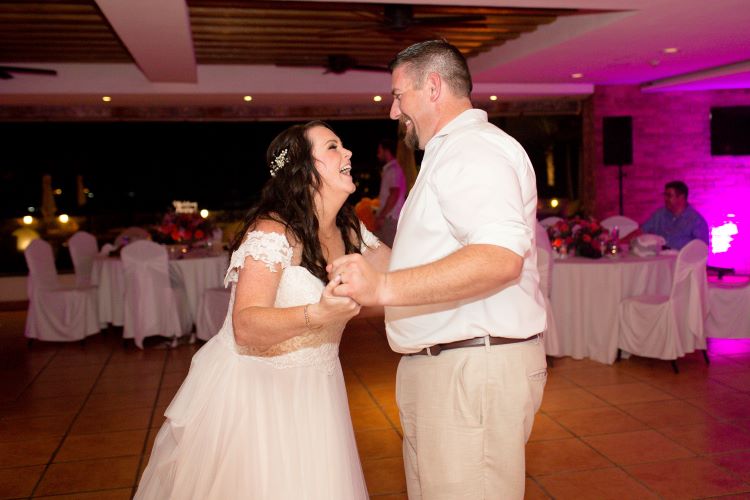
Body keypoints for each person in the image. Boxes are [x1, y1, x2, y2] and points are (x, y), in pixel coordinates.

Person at [328, 40, 547, 499]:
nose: (393, 111)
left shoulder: (474, 151)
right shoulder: (449, 154)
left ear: (432, 88)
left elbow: (499, 259)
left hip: (470, 372)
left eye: (398, 95)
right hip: (452, 368)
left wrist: (384, 287)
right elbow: (425, 263)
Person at [135, 121, 390, 499]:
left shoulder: (351, 229)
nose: (348, 153)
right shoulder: (272, 233)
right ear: (304, 170)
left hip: (320, 387)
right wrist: (318, 314)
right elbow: (246, 326)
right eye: (334, 147)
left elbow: (396, 280)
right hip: (257, 393)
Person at [641, 180, 709, 250]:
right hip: (658, 258)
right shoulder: (659, 215)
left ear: (681, 198)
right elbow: (641, 231)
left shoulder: (696, 221)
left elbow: (702, 248)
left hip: (681, 259)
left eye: (669, 196)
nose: (665, 199)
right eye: (665, 195)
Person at [374, 137, 407, 246]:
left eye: (379, 151)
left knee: (389, 253)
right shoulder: (392, 169)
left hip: (390, 219)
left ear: (386, 151)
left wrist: (381, 216)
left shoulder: (393, 170)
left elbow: (394, 194)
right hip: (389, 219)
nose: (378, 154)